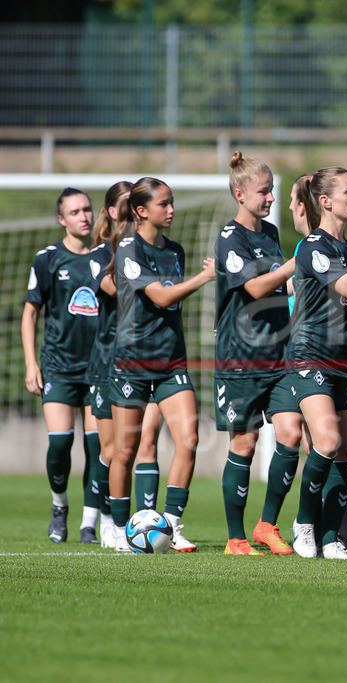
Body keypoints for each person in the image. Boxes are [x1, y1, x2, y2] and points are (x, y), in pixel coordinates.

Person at [108, 177, 215, 552]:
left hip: (172, 362)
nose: (171, 209)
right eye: (163, 204)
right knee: (126, 449)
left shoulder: (176, 251)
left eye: (172, 202)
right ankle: (120, 530)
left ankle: (170, 525)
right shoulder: (128, 250)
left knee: (189, 439)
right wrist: (205, 277)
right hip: (132, 363)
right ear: (140, 211)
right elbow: (162, 297)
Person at [214, 152, 303, 556]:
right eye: (263, 191)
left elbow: (280, 286)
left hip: (278, 355)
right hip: (241, 358)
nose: (270, 198)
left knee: (290, 434)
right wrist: (295, 265)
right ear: (240, 193)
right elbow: (253, 288)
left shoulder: (269, 233)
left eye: (270, 190)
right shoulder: (230, 238)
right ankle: (235, 538)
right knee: (245, 445)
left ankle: (267, 525)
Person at [288, 167, 347, 560]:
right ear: (326, 201)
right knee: (328, 442)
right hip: (310, 354)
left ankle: (332, 536)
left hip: (346, 359)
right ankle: (305, 525)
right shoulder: (313, 247)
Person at [22, 188, 103, 544]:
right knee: (59, 444)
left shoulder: (109, 256)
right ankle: (59, 507)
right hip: (57, 366)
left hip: (99, 369)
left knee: (97, 447)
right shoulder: (48, 259)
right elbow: (30, 314)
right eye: (75, 212)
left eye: (87, 209)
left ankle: (89, 522)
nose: (83, 216)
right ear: (61, 219)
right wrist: (30, 363)